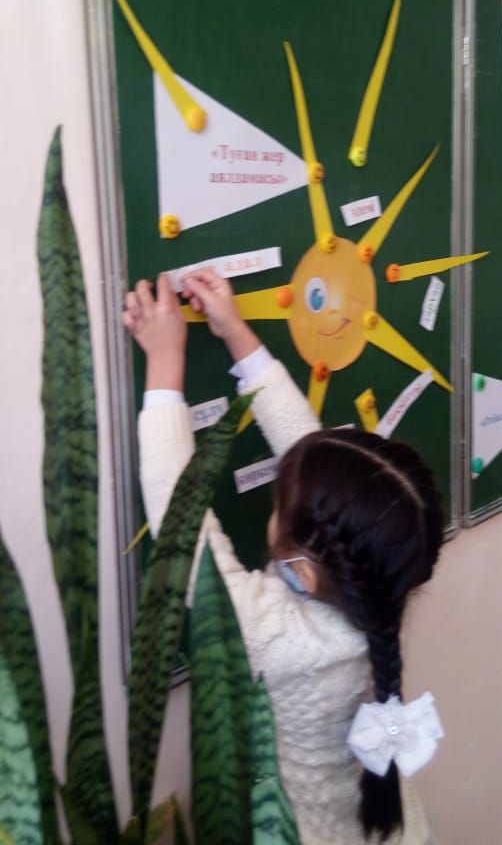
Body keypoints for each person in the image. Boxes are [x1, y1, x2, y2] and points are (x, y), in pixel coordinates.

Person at [123, 268, 445, 845]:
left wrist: (165, 361)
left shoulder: (274, 635)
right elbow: (311, 449)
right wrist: (238, 335)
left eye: (279, 504)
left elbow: (181, 519)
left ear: (303, 568)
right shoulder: (378, 584)